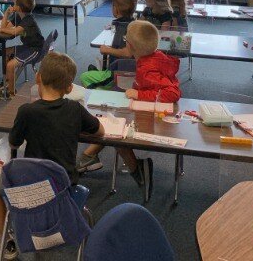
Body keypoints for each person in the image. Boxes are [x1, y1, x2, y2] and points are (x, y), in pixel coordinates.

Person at [0, 52, 104, 259]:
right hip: (63, 188)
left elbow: (13, 143)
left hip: (29, 188)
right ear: (69, 87)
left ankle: (5, 241)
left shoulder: (27, 111)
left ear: (38, 77)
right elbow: (100, 132)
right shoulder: (75, 109)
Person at [77, 21, 180, 202]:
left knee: (117, 132)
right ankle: (91, 157)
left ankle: (133, 170)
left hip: (156, 116)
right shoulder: (151, 58)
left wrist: (140, 93)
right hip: (145, 108)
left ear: (130, 46)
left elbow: (172, 93)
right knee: (115, 125)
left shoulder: (148, 68)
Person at [80, 0, 138, 88]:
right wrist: (112, 27)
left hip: (118, 73)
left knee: (84, 77)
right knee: (93, 69)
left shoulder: (123, 28)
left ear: (116, 9)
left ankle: (103, 91)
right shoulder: (132, 23)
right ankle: (101, 75)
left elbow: (127, 53)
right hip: (126, 68)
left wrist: (107, 50)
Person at [0, 0, 45, 100]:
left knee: (10, 65)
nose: (13, 4)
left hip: (36, 50)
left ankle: (11, 93)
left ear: (18, 8)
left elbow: (14, 31)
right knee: (6, 52)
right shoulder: (19, 16)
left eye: (14, 3)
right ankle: (8, 81)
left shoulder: (29, 20)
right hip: (27, 46)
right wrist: (6, 14)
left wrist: (1, 30)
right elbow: (5, 26)